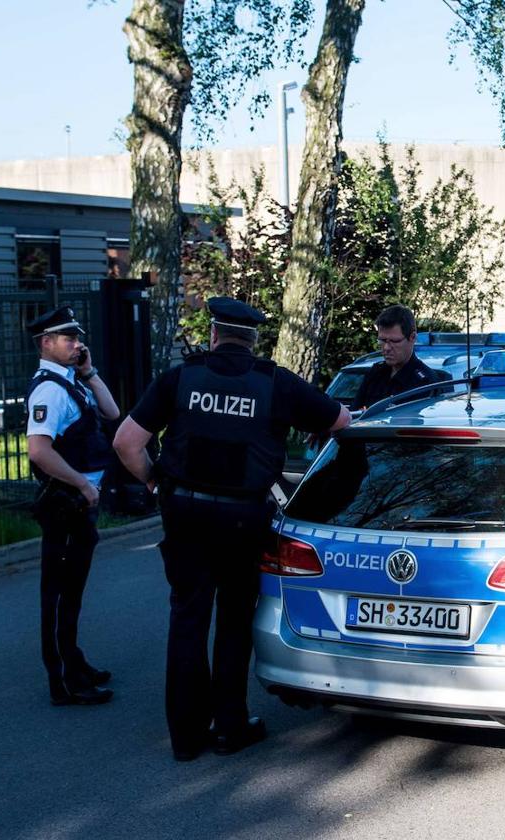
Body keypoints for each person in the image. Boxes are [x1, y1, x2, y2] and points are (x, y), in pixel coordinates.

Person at [112, 297, 350, 762]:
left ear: (214, 335)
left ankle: (184, 738)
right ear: (253, 340)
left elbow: (127, 442)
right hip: (244, 519)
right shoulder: (274, 383)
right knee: (235, 620)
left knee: (187, 619)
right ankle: (229, 727)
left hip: (184, 512)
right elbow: (340, 421)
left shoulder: (180, 378)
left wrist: (154, 479)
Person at [24, 305, 120, 707]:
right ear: (47, 343)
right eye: (69, 338)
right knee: (60, 594)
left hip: (80, 504)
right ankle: (63, 680)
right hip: (66, 503)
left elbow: (114, 414)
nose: (77, 343)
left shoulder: (71, 381)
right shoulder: (48, 389)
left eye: (78, 337)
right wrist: (82, 484)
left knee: (72, 593)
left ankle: (73, 661)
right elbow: (38, 451)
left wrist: (90, 372)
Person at [350, 304, 447, 411]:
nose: (386, 347)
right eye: (382, 340)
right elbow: (354, 413)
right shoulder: (375, 373)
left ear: (412, 337)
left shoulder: (426, 383)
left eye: (394, 341)